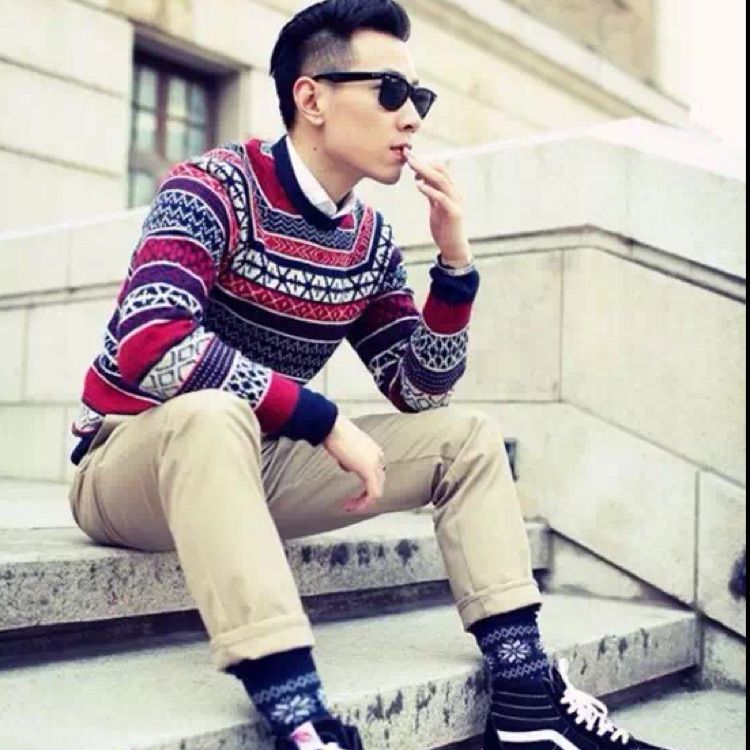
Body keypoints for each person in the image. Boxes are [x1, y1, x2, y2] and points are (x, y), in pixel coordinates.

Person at [67, 1, 675, 748]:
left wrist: (454, 267)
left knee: (467, 437)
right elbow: (151, 342)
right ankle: (300, 718)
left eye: (418, 97)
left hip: (256, 465)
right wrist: (322, 420)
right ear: (312, 98)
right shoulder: (212, 187)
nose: (411, 117)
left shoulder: (369, 239)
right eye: (390, 92)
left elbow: (420, 391)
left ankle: (526, 703)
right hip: (127, 464)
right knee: (212, 414)